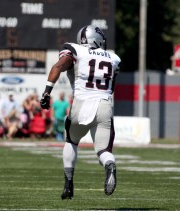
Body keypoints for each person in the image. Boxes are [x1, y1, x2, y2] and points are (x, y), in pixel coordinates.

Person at [40, 25, 121, 199]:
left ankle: (68, 185)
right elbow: (111, 87)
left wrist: (47, 92)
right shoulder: (114, 59)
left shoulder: (75, 50)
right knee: (103, 151)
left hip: (81, 103)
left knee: (71, 141)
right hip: (105, 105)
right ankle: (110, 165)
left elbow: (59, 66)